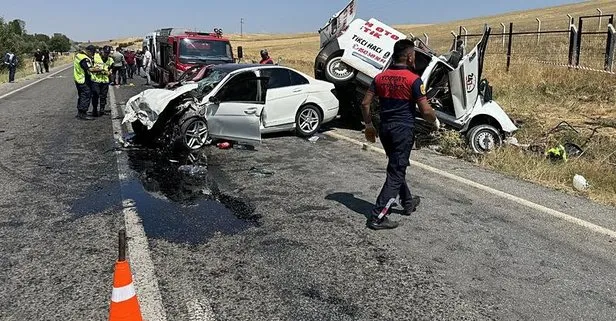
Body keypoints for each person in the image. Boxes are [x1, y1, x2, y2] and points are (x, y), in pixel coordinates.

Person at [361, 39, 439, 230]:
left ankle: (408, 202)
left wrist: (369, 125)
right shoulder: (413, 80)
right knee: (396, 172)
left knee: (397, 164)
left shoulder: (380, 77)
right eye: (414, 56)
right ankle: (378, 216)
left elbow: (365, 103)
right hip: (402, 130)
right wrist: (435, 121)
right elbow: (426, 111)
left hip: (385, 129)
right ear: (410, 56)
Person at [74, 45, 102, 120]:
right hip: (83, 79)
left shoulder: (79, 55)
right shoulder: (84, 58)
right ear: (89, 51)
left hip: (78, 79)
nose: (93, 55)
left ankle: (80, 112)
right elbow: (90, 69)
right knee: (86, 95)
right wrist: (100, 70)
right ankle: (83, 113)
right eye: (92, 53)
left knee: (81, 95)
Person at [90, 46, 114, 117]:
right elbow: (90, 67)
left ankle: (102, 110)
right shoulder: (95, 57)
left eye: (108, 53)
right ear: (102, 51)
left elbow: (111, 69)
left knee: (103, 96)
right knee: (95, 95)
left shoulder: (110, 60)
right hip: (96, 80)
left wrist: (110, 72)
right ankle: (94, 109)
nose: (106, 54)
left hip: (105, 81)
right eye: (105, 52)